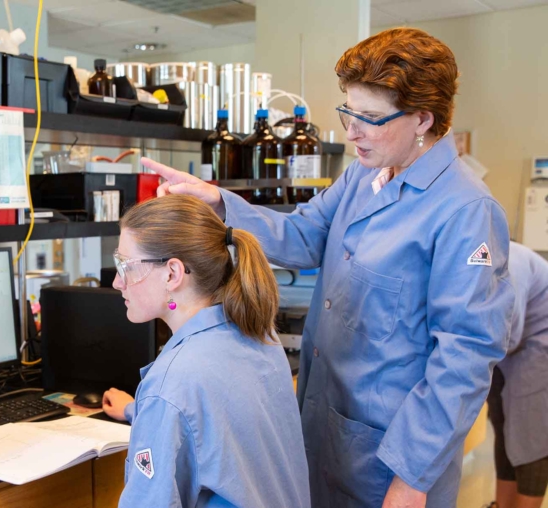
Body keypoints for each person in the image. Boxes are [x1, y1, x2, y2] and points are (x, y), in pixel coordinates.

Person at [140, 27, 515, 508]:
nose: (351, 132)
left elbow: (463, 359)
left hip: (390, 461)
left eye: (370, 118)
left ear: (423, 118)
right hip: (323, 431)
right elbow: (301, 236)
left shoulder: (465, 212)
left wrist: (412, 477)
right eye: (348, 111)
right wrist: (218, 202)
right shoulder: (364, 173)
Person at [102, 194, 311, 508]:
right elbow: (215, 425)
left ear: (172, 273)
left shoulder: (172, 384)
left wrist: (155, 407)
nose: (118, 282)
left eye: (125, 266)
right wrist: (140, 412)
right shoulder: (258, 336)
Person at [485, 241, 548, 508]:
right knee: (502, 425)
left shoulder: (511, 265)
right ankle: (503, 504)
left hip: (539, 341)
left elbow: (510, 336)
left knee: (530, 435)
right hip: (508, 348)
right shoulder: (475, 263)